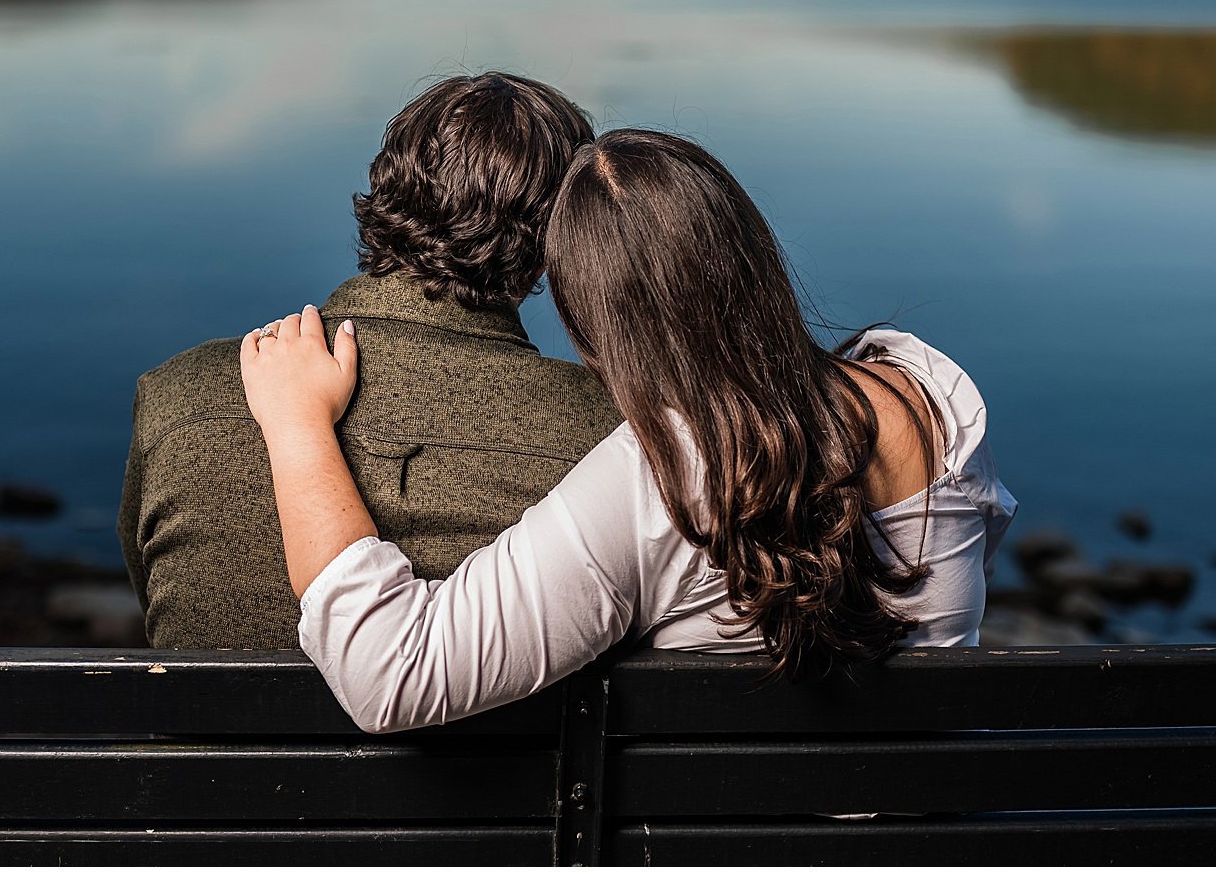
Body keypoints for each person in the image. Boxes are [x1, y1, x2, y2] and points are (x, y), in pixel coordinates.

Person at [241, 129, 1015, 732]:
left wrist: (296, 422)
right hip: (928, 830)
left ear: (591, 316)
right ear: (747, 251)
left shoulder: (656, 480)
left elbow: (392, 676)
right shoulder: (928, 395)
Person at [117, 73, 619, 648]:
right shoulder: (617, 433)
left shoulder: (182, 392)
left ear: (385, 197)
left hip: (214, 736)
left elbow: (150, 586)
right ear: (554, 248)